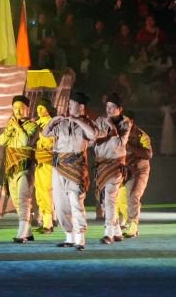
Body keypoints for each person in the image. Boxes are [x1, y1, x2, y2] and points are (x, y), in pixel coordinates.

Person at [42, 91, 100, 251]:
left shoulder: (88, 123)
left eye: (71, 104)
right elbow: (45, 133)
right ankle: (69, 236)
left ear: (81, 107)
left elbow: (94, 134)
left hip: (76, 166)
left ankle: (80, 238)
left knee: (75, 201)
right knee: (60, 205)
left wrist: (77, 120)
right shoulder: (62, 123)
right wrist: (54, 120)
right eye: (68, 104)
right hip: (59, 166)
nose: (68, 106)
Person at [0, 95, 39, 243]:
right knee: (16, 200)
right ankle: (27, 232)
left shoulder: (32, 125)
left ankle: (21, 234)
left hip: (25, 165)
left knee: (23, 198)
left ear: (27, 109)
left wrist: (17, 127)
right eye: (15, 108)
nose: (18, 111)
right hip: (12, 166)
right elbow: (1, 141)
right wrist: (10, 129)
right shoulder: (12, 125)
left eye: (21, 108)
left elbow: (25, 141)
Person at [93, 93, 132, 244]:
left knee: (110, 198)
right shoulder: (99, 120)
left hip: (115, 166)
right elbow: (94, 140)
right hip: (101, 165)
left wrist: (110, 126)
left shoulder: (126, 123)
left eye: (112, 107)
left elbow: (119, 144)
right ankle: (116, 231)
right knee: (104, 200)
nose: (108, 110)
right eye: (107, 107)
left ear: (120, 109)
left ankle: (108, 232)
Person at [121, 113, 153, 238]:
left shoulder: (141, 135)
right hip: (125, 170)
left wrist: (129, 147)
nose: (122, 123)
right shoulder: (118, 133)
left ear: (132, 121)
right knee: (122, 198)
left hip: (140, 170)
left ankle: (132, 227)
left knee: (134, 195)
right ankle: (123, 224)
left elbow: (148, 154)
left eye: (125, 120)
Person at [33, 98, 56, 234]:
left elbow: (53, 141)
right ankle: (43, 220)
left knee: (47, 190)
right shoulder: (36, 123)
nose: (39, 110)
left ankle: (49, 223)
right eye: (38, 107)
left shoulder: (52, 123)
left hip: (48, 159)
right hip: (39, 160)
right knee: (39, 191)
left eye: (42, 107)